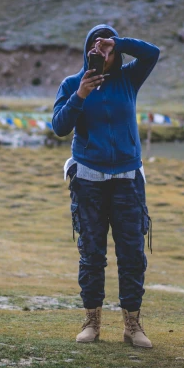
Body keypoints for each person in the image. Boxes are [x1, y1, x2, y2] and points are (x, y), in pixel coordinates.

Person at [52, 24, 160, 348]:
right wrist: (81, 95)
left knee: (131, 254)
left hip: (127, 181)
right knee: (92, 254)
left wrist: (119, 41)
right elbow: (59, 126)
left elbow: (153, 53)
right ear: (87, 51)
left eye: (108, 49)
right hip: (88, 182)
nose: (103, 55)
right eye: (97, 49)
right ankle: (92, 323)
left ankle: (132, 326)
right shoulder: (73, 83)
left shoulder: (129, 78)